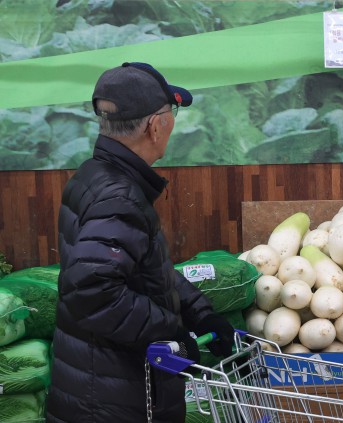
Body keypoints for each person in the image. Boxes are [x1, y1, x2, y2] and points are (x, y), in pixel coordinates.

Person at [46, 62, 235, 423]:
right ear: (155, 125)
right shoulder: (120, 195)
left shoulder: (94, 174)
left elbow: (139, 268)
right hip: (112, 400)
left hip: (98, 387)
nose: (172, 122)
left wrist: (199, 311)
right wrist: (169, 330)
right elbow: (91, 289)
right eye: (171, 111)